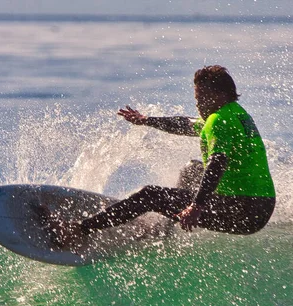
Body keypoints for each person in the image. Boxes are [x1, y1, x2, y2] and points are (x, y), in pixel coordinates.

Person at [53, 65, 275, 247]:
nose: (197, 104)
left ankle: (80, 230)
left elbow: (217, 163)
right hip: (258, 206)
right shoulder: (235, 114)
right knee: (192, 169)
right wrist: (146, 120)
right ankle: (163, 229)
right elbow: (186, 124)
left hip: (241, 211)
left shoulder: (219, 121)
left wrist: (196, 207)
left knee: (149, 195)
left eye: (201, 97)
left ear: (219, 95)